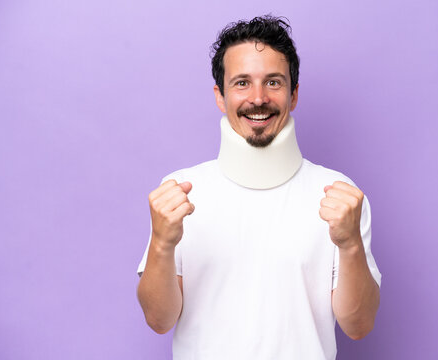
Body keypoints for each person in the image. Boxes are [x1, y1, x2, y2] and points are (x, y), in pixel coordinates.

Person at [136, 15, 381, 360]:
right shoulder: (179, 195)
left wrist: (350, 244)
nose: (258, 98)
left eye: (273, 82)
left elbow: (359, 325)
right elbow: (159, 320)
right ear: (220, 96)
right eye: (241, 83)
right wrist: (162, 244)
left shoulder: (339, 196)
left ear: (294, 95)